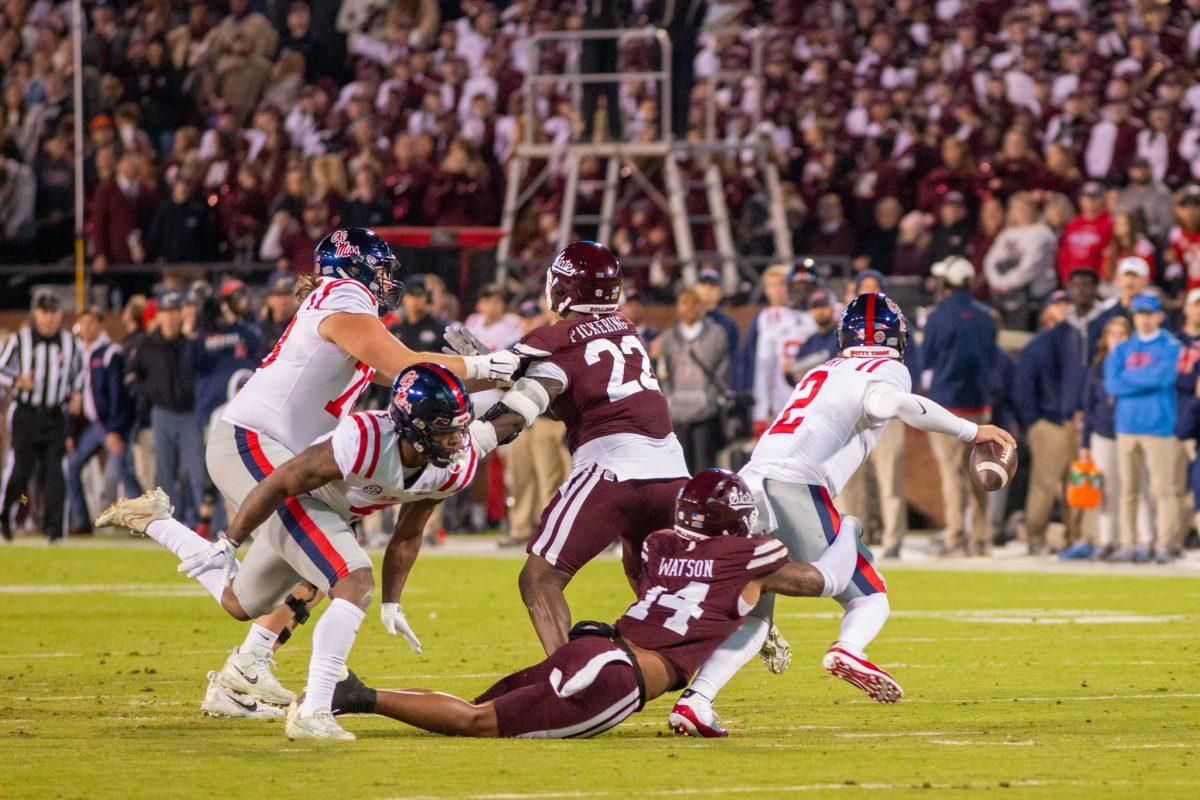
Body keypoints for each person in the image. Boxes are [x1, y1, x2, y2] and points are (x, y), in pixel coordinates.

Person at [156, 228, 521, 720]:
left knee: (245, 600)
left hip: (276, 447)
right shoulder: (343, 296)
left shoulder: (347, 307)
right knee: (346, 569)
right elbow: (408, 366)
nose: (388, 280)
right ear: (355, 268)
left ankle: (236, 656)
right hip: (254, 441)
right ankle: (317, 710)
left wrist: (494, 373)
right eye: (382, 270)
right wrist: (488, 364)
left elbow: (411, 376)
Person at [669, 292, 1016, 737]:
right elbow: (897, 405)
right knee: (869, 596)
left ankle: (696, 702)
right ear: (896, 338)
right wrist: (972, 430)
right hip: (795, 487)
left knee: (754, 616)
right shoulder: (887, 368)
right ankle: (849, 648)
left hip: (746, 486)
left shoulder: (823, 369)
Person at [325, 469, 861, 740]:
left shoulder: (662, 545)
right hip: (618, 678)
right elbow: (829, 578)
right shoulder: (749, 557)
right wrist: (851, 529)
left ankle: (352, 691)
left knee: (473, 711)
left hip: (593, 645)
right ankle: (357, 694)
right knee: (477, 722)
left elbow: (689, 583)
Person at [97, 366, 485, 739]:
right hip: (297, 497)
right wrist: (230, 541)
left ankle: (154, 521)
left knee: (239, 603)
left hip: (330, 515)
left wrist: (392, 602)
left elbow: (409, 533)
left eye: (460, 428)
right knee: (353, 579)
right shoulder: (364, 438)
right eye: (444, 429)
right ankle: (314, 711)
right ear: (411, 426)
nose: (456, 440)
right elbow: (283, 481)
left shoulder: (455, 466)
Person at [459, 241, 690, 655]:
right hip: (672, 471)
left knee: (539, 578)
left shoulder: (555, 338)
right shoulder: (626, 328)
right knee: (648, 579)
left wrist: (469, 443)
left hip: (614, 470)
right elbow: (573, 391)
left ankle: (570, 675)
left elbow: (519, 410)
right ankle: (678, 664)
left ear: (562, 289)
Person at [921, 257, 998, 556]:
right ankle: (981, 536)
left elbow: (927, 359)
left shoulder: (937, 315)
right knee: (981, 472)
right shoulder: (986, 315)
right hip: (979, 404)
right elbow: (992, 360)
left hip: (947, 407)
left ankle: (955, 535)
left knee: (952, 474)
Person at [1105, 292, 1184, 563]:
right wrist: (1144, 379)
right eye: (1140, 314)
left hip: (1159, 426)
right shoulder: (1123, 348)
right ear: (1134, 316)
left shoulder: (1170, 345)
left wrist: (1129, 379)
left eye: (1149, 314)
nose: (1145, 319)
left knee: (1163, 489)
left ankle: (1164, 543)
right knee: (1128, 490)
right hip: (1126, 426)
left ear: (1159, 316)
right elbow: (1112, 384)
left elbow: (1163, 377)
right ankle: (1128, 543)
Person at [0, 293, 83, 541]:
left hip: (55, 415)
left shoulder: (70, 343)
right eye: (44, 312)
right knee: (20, 470)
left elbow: (78, 374)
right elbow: (1, 371)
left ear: (60, 315)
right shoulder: (19, 340)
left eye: (53, 312)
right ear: (36, 314)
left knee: (55, 473)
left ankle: (54, 530)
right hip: (26, 413)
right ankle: (4, 517)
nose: (48, 318)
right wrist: (17, 381)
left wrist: (77, 393)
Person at [1064, 316, 1149, 561]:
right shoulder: (1098, 367)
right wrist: (1085, 443)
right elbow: (1088, 408)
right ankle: (1107, 539)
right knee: (1106, 492)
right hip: (1103, 434)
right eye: (1112, 334)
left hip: (1131, 431)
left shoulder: (1138, 364)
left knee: (1137, 487)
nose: (1117, 339)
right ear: (1105, 338)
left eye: (1122, 334)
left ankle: (1142, 540)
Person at [126, 291, 206, 528]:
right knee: (164, 472)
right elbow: (132, 377)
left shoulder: (191, 342)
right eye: (166, 312)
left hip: (190, 413)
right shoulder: (146, 344)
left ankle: (200, 521)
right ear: (158, 315)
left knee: (195, 470)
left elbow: (205, 373)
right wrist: (151, 393)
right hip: (161, 413)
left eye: (174, 311)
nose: (170, 317)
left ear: (182, 314)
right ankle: (172, 524)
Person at [500, 300, 570, 549]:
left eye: (532, 316)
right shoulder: (516, 346)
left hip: (547, 420)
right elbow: (500, 380)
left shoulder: (551, 343)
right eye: (524, 317)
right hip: (520, 419)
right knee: (519, 477)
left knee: (549, 478)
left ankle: (548, 532)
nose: (528, 321)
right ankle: (519, 529)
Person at [1014, 292, 1079, 554]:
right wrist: (1034, 421)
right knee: (1045, 485)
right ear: (1047, 311)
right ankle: (1036, 537)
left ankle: (1075, 538)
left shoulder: (1078, 339)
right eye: (1058, 305)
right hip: (1049, 423)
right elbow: (1022, 388)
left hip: (1074, 423)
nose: (1064, 309)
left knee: (1075, 484)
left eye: (1067, 304)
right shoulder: (1039, 344)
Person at [66, 307, 140, 535]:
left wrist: (114, 429)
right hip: (94, 425)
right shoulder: (81, 353)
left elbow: (118, 393)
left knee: (124, 471)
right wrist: (71, 431)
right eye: (83, 323)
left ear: (100, 325)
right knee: (72, 465)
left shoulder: (110, 353)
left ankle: (147, 523)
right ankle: (81, 521)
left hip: (111, 425)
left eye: (91, 322)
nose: (86, 327)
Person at [657, 289, 730, 474]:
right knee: (681, 469)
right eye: (684, 302)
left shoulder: (716, 335)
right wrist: (669, 402)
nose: (689, 307)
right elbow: (663, 374)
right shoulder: (668, 339)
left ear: (702, 306)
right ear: (677, 307)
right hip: (677, 413)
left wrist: (709, 398)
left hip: (706, 413)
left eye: (694, 302)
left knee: (705, 468)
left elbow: (722, 370)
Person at [752, 263, 817, 433]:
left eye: (782, 284)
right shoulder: (771, 316)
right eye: (773, 285)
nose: (779, 290)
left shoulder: (823, 312)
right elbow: (764, 366)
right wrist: (762, 409)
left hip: (815, 395)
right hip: (784, 398)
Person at [983, 192, 1058, 330]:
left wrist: (1007, 283)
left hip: (1035, 297)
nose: (1021, 212)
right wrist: (997, 282)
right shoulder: (1006, 233)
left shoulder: (1042, 232)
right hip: (1005, 295)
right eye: (1017, 208)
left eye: (1025, 207)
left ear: (1033, 209)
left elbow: (1031, 265)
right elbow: (990, 260)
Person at [1056, 181, 1113, 284]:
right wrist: (1065, 278)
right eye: (1087, 197)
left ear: (1103, 199)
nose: (1090, 201)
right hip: (1071, 280)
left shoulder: (1110, 223)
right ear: (1080, 199)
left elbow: (1111, 254)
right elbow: (1063, 254)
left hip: (1097, 281)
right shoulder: (1072, 224)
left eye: (1095, 197)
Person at [693, 267, 740, 359]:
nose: (707, 289)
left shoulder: (729, 325)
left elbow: (734, 357)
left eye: (712, 285)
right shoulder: (687, 319)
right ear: (695, 288)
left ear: (721, 291)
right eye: (703, 284)